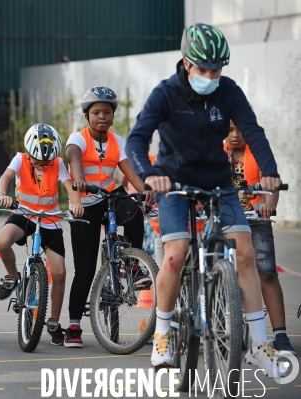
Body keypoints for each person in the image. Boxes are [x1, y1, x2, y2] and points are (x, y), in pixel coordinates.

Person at [126, 23, 284, 377]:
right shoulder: (165, 94)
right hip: (174, 182)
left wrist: (270, 172)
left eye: (218, 69)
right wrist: (150, 176)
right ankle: (163, 336)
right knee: (176, 254)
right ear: (186, 63)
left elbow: (253, 130)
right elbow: (137, 140)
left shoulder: (228, 91)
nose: (213, 76)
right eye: (205, 69)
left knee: (244, 251)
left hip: (217, 180)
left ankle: (259, 343)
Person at [66, 86, 153, 348]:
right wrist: (79, 181)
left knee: (135, 212)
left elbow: (131, 173)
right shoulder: (78, 139)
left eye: (107, 112)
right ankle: (73, 326)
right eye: (96, 112)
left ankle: (134, 268)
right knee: (85, 269)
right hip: (86, 203)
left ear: (113, 116)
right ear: (86, 115)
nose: (102, 116)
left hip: (110, 197)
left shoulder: (117, 142)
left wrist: (145, 190)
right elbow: (73, 157)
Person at [0, 124, 84, 346]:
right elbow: (5, 178)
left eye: (47, 162)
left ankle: (53, 322)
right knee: (3, 241)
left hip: (50, 220)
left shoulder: (58, 163)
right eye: (38, 161)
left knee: (60, 271)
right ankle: (11, 277)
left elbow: (68, 185)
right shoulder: (19, 159)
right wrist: (2, 195)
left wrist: (76, 203)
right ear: (28, 151)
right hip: (24, 213)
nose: (43, 165)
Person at [225, 120, 296, 355]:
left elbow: (271, 182)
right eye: (229, 129)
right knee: (215, 270)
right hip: (224, 221)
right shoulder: (215, 151)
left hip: (255, 219)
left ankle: (280, 335)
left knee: (266, 274)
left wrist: (269, 204)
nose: (235, 135)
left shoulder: (258, 151)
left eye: (240, 129)